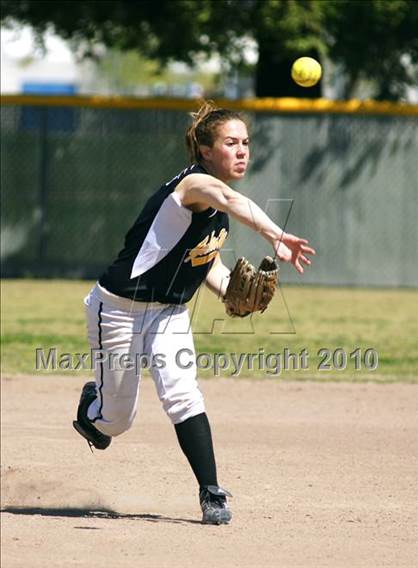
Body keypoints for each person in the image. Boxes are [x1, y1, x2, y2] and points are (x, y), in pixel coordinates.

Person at [73, 101, 315, 525]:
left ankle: (211, 493)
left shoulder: (218, 214)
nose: (242, 150)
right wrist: (275, 234)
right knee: (115, 423)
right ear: (205, 151)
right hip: (118, 310)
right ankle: (93, 406)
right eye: (230, 143)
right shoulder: (194, 185)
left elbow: (207, 264)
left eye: (245, 143)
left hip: (168, 312)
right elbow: (228, 197)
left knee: (183, 394)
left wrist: (233, 295)